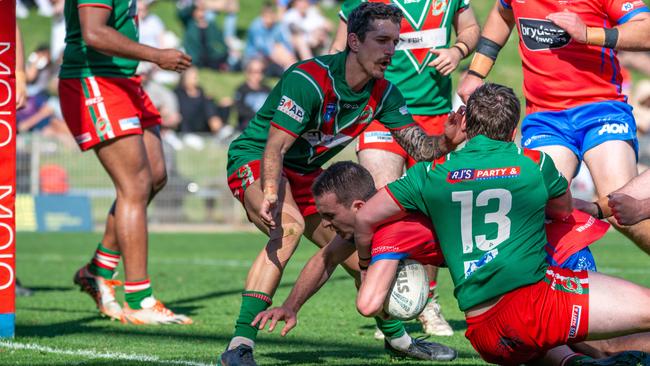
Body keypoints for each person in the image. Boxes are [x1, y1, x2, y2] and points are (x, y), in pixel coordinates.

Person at [221, 3, 464, 365]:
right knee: (286, 228)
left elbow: (420, 146)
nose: (390, 51)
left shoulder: (384, 93)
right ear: (353, 40)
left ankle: (399, 342)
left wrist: (446, 141)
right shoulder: (309, 80)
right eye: (381, 40)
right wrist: (270, 192)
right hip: (259, 159)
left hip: (305, 172)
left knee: (356, 254)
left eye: (395, 42)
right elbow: (276, 146)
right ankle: (239, 346)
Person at [353, 83, 650, 365]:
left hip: (484, 333)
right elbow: (563, 210)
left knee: (543, 342)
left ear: (466, 124)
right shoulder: (534, 162)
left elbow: (366, 217)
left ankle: (572, 361)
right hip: (534, 307)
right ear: (513, 130)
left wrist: (365, 264)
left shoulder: (430, 173)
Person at [329, 0, 480, 337]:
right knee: (382, 208)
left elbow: (472, 29)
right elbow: (338, 50)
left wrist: (458, 51)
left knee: (433, 214)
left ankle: (427, 303)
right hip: (379, 111)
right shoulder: (361, 3)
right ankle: (388, 305)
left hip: (436, 117)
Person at [457, 0, 650, 255]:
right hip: (545, 117)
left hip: (602, 110)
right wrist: (475, 73)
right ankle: (558, 288)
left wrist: (587, 34)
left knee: (618, 206)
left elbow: (645, 29)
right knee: (538, 204)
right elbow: (502, 14)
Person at [58, 0, 193, 324]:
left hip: (123, 79)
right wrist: (156, 55)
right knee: (135, 185)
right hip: (94, 79)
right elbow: (93, 31)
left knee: (156, 176)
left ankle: (97, 270)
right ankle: (138, 298)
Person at [253, 162, 457, 362]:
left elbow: (367, 306)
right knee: (364, 271)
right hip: (458, 253)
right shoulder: (369, 219)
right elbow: (326, 258)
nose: (324, 223)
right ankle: (400, 343)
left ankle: (401, 342)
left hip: (474, 251)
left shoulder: (391, 229)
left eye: (330, 215)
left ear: (359, 207)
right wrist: (290, 307)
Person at [233, 58, 272, 132]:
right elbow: (240, 110)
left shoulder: (267, 89)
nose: (258, 75)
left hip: (266, 123)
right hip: (248, 123)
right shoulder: (241, 90)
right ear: (247, 72)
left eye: (261, 71)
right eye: (254, 72)